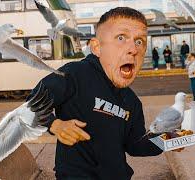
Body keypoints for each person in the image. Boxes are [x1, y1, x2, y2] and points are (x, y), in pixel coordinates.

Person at [27, 7, 163, 180]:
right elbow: (33, 102)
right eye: (121, 38)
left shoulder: (132, 101)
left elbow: (136, 145)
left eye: (139, 41)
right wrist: (55, 125)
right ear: (97, 47)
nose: (133, 49)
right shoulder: (75, 74)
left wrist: (169, 140)